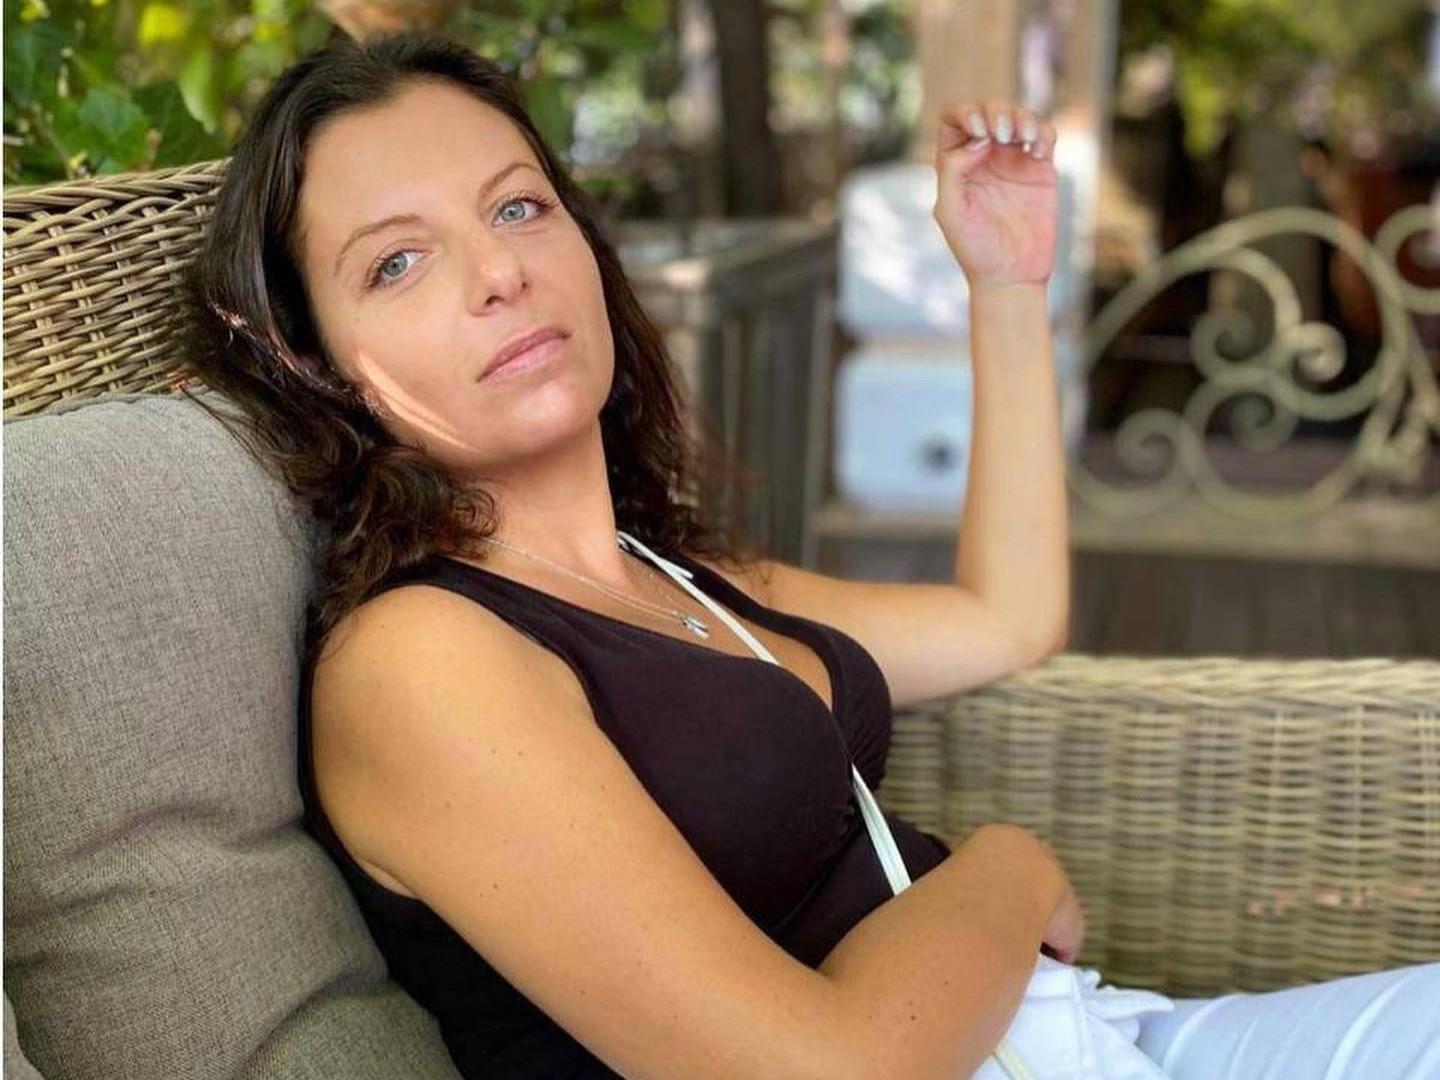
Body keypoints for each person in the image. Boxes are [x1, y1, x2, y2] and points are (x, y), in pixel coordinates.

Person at [176, 30, 1440, 1080]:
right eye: (397, 263)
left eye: (518, 206)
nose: (499, 271)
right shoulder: (420, 662)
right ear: (315, 360)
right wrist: (1008, 870)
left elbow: (1009, 617)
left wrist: (1005, 287)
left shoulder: (676, 579)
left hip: (1086, 1035)